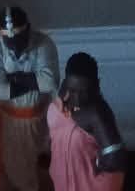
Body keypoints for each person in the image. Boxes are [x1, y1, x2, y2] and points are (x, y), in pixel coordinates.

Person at [0, 5, 59, 191]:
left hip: (39, 119)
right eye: (10, 43)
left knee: (40, 169)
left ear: (28, 29)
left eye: (20, 41)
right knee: (8, 170)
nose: (16, 48)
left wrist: (14, 78)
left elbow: (49, 82)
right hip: (7, 122)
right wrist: (33, 80)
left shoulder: (44, 44)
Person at [47, 53, 127, 191]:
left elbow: (115, 160)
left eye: (84, 91)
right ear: (66, 83)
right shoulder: (59, 102)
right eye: (73, 90)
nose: (77, 99)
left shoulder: (97, 114)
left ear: (97, 85)